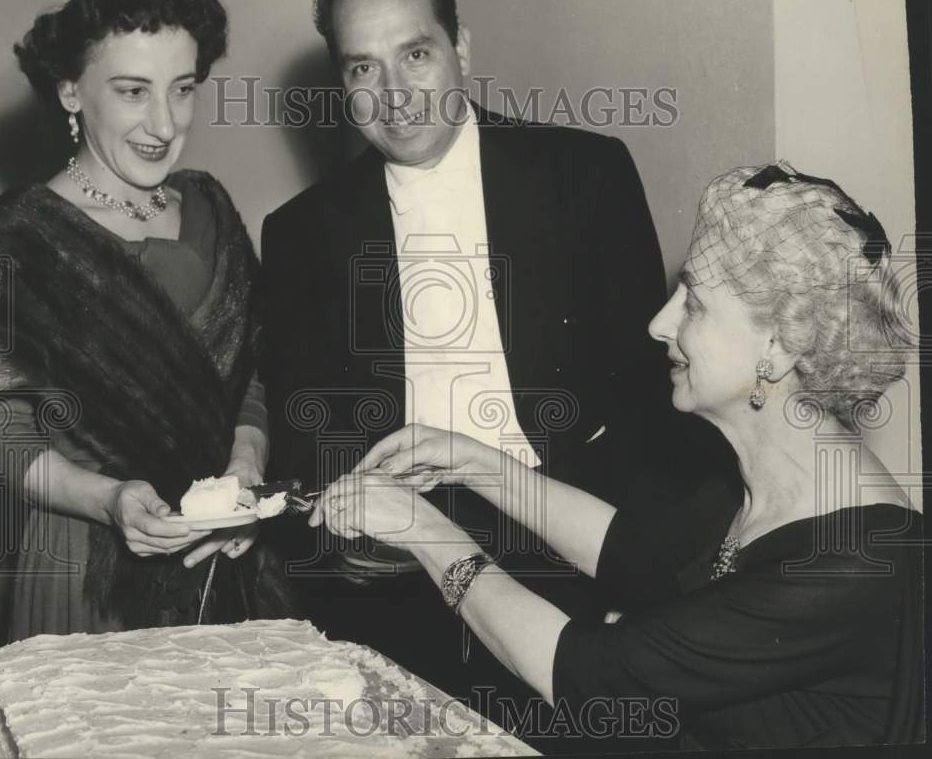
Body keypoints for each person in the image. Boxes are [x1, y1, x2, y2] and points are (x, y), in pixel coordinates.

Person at [311, 162, 924, 749]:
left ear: (782, 346)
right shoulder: (768, 485)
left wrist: (425, 532)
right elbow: (636, 554)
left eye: (695, 304)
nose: (660, 323)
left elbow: (584, 677)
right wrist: (471, 462)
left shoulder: (849, 565)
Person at [260, 0, 709, 706]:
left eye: (416, 54)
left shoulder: (584, 174)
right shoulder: (299, 231)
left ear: (461, 47)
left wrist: (635, 571)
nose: (395, 96)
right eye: (363, 68)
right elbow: (306, 423)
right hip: (395, 566)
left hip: (569, 546)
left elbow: (648, 399)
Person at [0, 0, 297, 641]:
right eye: (133, 91)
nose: (165, 122)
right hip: (84, 564)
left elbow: (246, 379)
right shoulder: (6, 245)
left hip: (222, 560)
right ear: (70, 89)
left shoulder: (211, 210)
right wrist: (109, 501)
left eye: (182, 89)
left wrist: (244, 472)